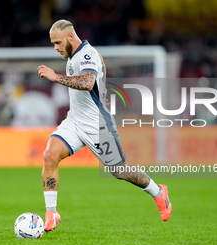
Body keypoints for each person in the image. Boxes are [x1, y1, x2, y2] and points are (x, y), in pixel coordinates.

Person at [37, 19, 172, 232]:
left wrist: (56, 77)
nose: (55, 48)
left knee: (120, 171)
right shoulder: (75, 54)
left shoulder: (86, 54)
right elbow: (99, 76)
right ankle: (51, 213)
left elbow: (88, 82)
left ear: (70, 36)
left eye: (57, 42)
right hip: (74, 121)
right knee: (49, 155)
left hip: (98, 125)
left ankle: (158, 192)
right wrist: (104, 93)